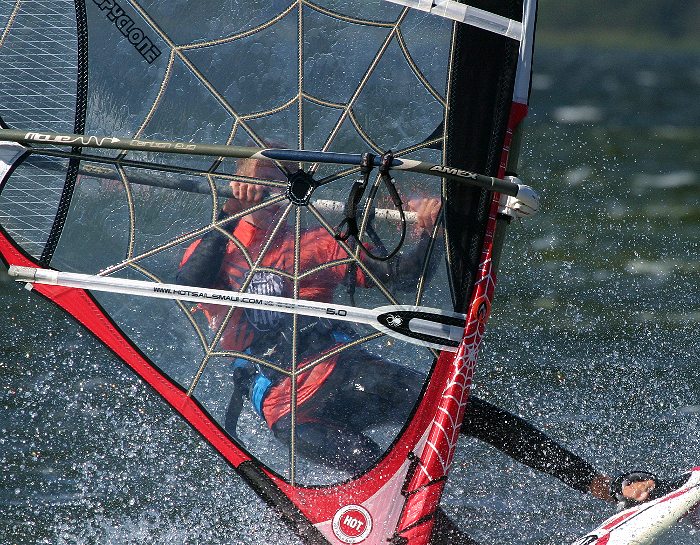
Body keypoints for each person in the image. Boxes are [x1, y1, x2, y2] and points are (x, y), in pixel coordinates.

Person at [177, 158, 660, 540]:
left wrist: (426, 229)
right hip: (291, 411)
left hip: (348, 374)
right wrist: (227, 213)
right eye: (250, 181)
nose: (259, 190)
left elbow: (400, 276)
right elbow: (189, 284)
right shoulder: (218, 248)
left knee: (466, 413)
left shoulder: (317, 245)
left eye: (271, 183)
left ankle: (605, 487)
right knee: (387, 485)